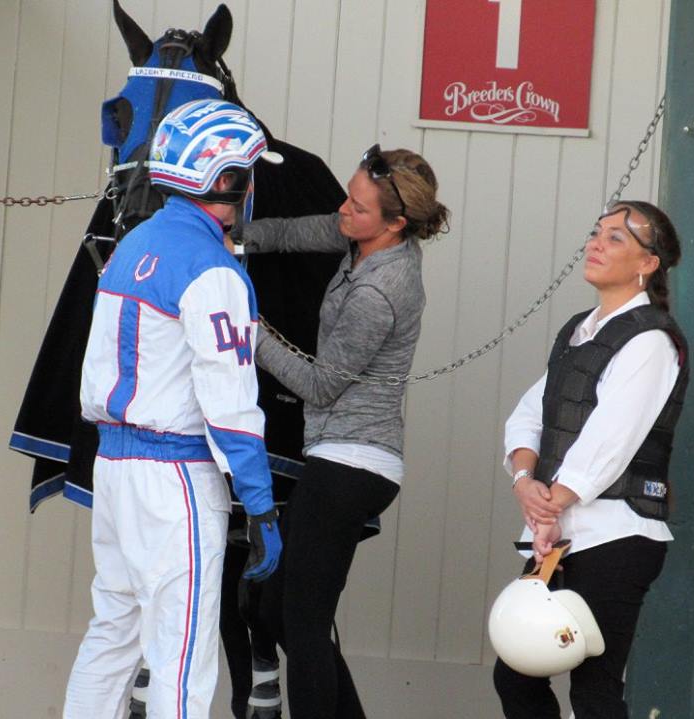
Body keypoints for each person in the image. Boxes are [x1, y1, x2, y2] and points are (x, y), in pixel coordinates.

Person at [63, 99, 283, 719]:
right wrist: (261, 506)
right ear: (228, 180)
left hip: (114, 468)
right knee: (181, 653)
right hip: (175, 476)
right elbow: (231, 406)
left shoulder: (135, 243)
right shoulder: (214, 269)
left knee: (112, 633)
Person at [232, 144, 449, 719]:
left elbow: (321, 385)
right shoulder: (366, 239)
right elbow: (303, 233)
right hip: (337, 460)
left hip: (354, 465)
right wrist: (237, 233)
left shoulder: (381, 289)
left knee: (301, 626)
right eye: (348, 198)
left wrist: (246, 332)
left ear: (396, 222)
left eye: (357, 206)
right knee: (281, 613)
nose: (343, 212)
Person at [494, 200, 689, 718]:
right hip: (557, 533)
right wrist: (523, 479)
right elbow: (528, 414)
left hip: (616, 535)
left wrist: (547, 505)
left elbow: (611, 440)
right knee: (516, 674)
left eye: (616, 238)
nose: (597, 244)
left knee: (595, 691)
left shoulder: (650, 340)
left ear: (649, 264)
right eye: (597, 233)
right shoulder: (579, 331)